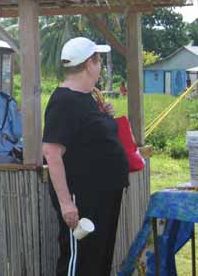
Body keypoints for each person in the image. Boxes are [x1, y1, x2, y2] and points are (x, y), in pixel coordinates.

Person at [42, 37, 129, 276]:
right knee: (79, 259)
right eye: (98, 60)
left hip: (103, 192)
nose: (100, 65)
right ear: (89, 64)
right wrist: (66, 204)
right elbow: (51, 152)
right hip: (82, 196)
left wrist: (103, 115)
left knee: (98, 257)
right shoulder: (64, 101)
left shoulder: (88, 98)